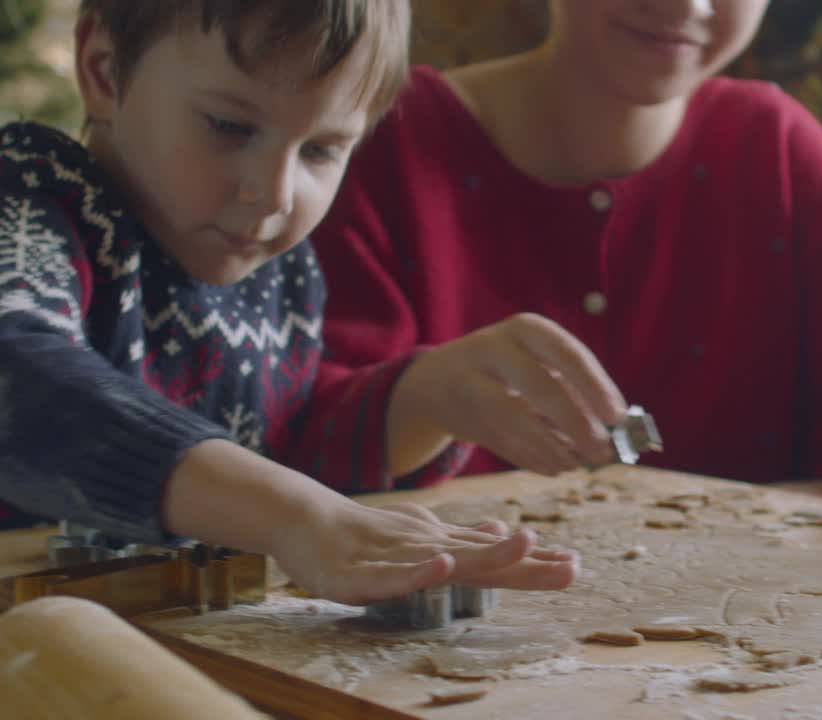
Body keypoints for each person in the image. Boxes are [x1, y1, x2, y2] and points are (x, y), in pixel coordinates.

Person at [304, 0, 822, 513]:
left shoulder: (771, 145)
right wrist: (424, 397)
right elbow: (266, 439)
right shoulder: (370, 145)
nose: (687, 4)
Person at [0, 0, 579, 605]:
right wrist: (295, 516)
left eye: (321, 150)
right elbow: (19, 377)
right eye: (229, 125)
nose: (274, 194)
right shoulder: (30, 198)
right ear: (104, 71)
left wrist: (423, 399)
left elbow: (280, 445)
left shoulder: (282, 270)